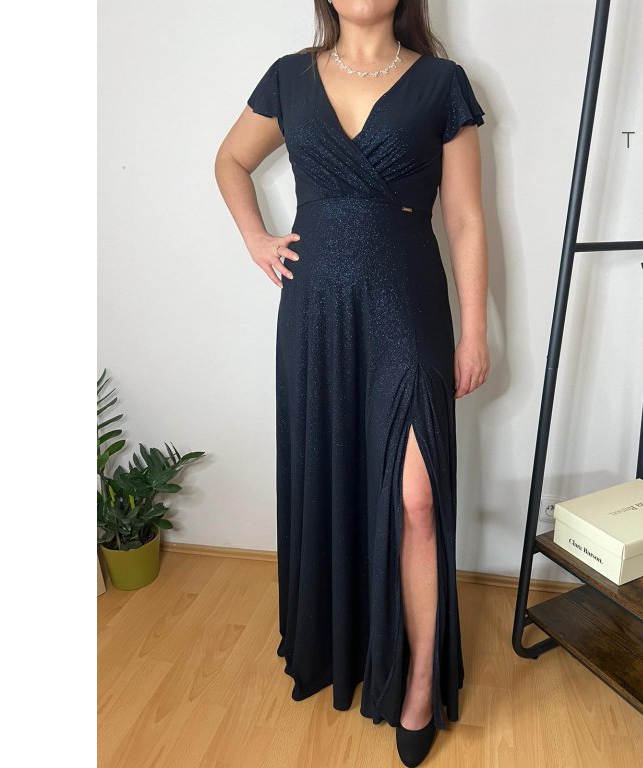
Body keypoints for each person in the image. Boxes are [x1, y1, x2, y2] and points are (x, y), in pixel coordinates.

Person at [214, 1, 488, 764]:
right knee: (331, 476)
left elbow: (465, 220)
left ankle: (420, 679)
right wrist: (255, 237)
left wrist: (474, 331)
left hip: (409, 308)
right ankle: (344, 644)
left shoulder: (442, 83)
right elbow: (229, 160)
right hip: (317, 316)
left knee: (417, 500)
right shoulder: (288, 78)